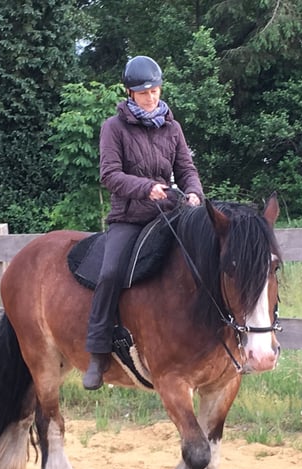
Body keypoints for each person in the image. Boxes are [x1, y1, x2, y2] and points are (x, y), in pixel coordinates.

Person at [83, 55, 205, 390]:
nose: (150, 97)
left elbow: (186, 170)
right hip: (130, 218)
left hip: (171, 214)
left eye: (154, 90)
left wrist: (194, 193)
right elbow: (110, 175)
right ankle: (97, 351)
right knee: (110, 273)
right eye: (143, 92)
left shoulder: (172, 127)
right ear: (129, 93)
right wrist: (145, 188)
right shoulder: (114, 128)